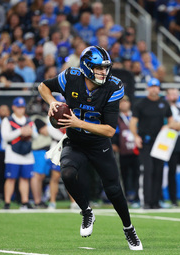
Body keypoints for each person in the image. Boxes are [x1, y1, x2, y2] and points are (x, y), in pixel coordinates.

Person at [38, 45, 142, 250]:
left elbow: (110, 131)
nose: (104, 72)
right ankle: (87, 212)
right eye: (99, 68)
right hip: (75, 142)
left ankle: (129, 229)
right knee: (67, 174)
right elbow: (43, 86)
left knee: (114, 191)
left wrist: (79, 123)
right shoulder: (71, 76)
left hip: (98, 144)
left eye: (106, 68)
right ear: (86, 67)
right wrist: (51, 101)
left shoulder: (113, 86)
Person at [129, 78, 174, 209]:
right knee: (148, 170)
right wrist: (136, 136)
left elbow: (171, 121)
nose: (154, 89)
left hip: (160, 142)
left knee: (159, 171)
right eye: (152, 86)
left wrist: (167, 127)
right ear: (147, 88)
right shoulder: (140, 104)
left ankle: (156, 201)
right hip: (145, 142)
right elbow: (133, 122)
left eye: (156, 86)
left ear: (159, 89)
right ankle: (147, 201)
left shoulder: (164, 104)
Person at [1, 97, 38, 209]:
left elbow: (36, 136)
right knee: (11, 178)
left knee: (25, 178)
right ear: (13, 108)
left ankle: (25, 201)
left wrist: (30, 132)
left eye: (22, 107)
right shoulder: (7, 120)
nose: (20, 110)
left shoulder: (29, 121)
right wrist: (20, 131)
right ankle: (7, 202)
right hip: (12, 153)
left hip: (26, 153)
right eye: (18, 107)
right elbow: (6, 137)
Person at [112, 95, 140, 208]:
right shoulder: (117, 118)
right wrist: (114, 144)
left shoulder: (135, 116)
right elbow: (114, 132)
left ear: (129, 103)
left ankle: (137, 196)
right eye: (121, 102)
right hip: (123, 151)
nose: (124, 104)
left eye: (126, 101)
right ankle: (126, 196)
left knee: (137, 174)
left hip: (136, 150)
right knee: (124, 175)